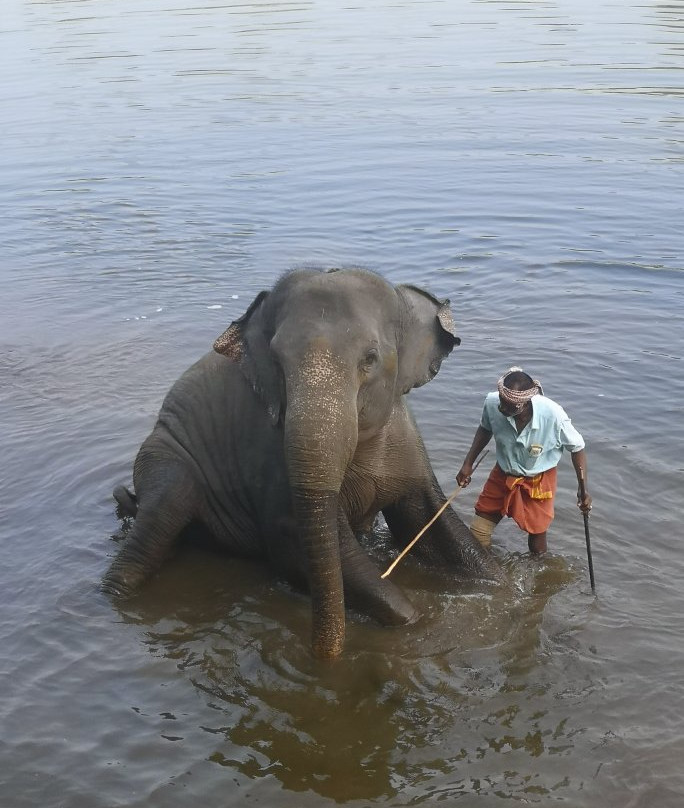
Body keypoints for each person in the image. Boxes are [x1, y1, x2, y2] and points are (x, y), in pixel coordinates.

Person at [456, 367, 592, 554]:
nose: (502, 408)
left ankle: (537, 571)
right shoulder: (492, 402)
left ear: (525, 404)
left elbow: (577, 448)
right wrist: (467, 464)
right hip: (503, 473)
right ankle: (488, 571)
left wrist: (582, 488)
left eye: (508, 406)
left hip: (538, 479)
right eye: (501, 402)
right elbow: (485, 428)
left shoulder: (553, 415)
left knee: (537, 537)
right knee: (479, 531)